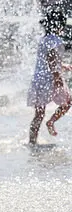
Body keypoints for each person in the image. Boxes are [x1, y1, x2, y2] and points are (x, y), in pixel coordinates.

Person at [28, 10, 72, 144]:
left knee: (39, 114)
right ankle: (51, 121)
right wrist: (58, 78)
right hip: (50, 79)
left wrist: (62, 65)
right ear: (60, 26)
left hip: (38, 79)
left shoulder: (44, 40)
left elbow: (47, 60)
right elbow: (52, 59)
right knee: (68, 101)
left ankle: (32, 141)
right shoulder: (56, 40)